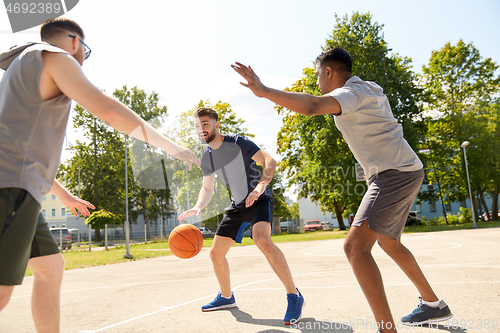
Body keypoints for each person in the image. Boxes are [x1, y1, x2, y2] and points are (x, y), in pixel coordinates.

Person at [231, 48, 452, 332]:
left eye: (318, 77)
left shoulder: (351, 94)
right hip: (402, 170)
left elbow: (312, 106)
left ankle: (387, 329)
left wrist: (263, 90)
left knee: (355, 248)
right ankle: (434, 305)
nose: (318, 84)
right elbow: (378, 130)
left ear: (328, 72)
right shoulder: (369, 89)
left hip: (394, 174)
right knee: (388, 242)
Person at [0, 18, 199, 332]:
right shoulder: (55, 57)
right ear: (75, 42)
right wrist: (173, 148)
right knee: (1, 291)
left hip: (20, 186)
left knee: (51, 267)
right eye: (84, 51)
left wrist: (63, 195)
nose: (82, 58)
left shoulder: (18, 68)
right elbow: (106, 110)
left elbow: (20, 146)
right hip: (10, 188)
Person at [177, 107, 305, 325]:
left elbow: (270, 161)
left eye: (205, 124)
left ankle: (294, 296)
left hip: (258, 200)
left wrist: (260, 187)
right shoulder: (207, 156)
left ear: (217, 125)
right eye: (198, 126)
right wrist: (198, 207)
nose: (201, 129)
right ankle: (226, 297)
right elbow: (207, 189)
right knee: (216, 254)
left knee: (262, 240)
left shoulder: (238, 142)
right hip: (237, 206)